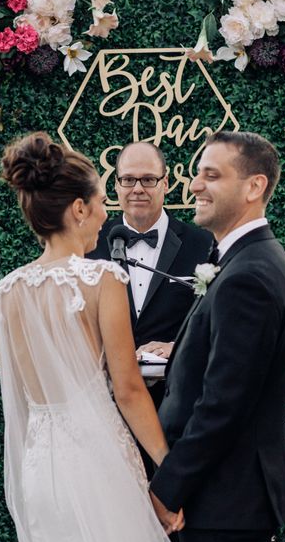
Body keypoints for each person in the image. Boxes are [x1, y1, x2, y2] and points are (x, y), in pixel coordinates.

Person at [0, 131, 205, 542]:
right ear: (79, 209)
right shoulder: (104, 278)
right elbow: (128, 390)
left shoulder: (7, 291)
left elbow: (20, 397)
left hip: (39, 470)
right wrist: (170, 475)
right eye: (103, 201)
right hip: (96, 462)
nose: (109, 214)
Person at [149, 130, 285, 542]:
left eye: (211, 174)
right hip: (223, 497)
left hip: (221, 500)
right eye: (198, 173)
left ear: (254, 186)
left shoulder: (249, 277)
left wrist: (169, 486)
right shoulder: (244, 264)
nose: (195, 185)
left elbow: (223, 405)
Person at [88, 141, 212, 411]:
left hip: (177, 404)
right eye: (129, 179)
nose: (138, 189)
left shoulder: (203, 244)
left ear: (165, 183)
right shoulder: (89, 244)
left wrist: (177, 347)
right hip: (104, 407)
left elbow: (216, 323)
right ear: (117, 185)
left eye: (148, 179)